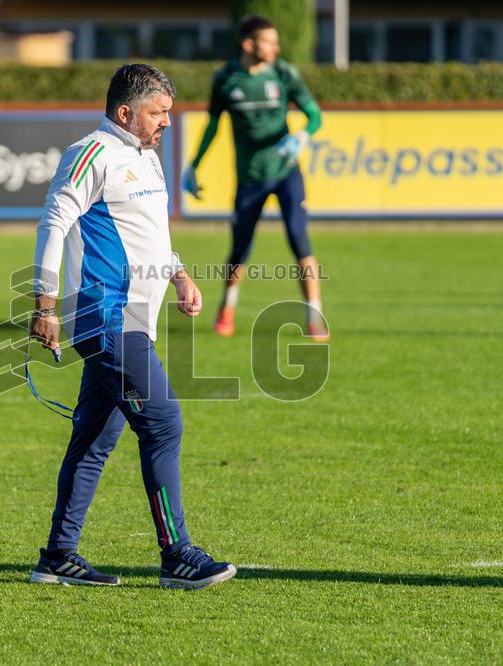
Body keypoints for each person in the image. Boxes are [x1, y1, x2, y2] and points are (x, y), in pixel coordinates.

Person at [28, 63, 237, 591]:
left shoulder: (147, 158)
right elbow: (54, 222)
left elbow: (149, 235)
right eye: (157, 113)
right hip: (103, 315)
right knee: (163, 421)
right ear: (125, 112)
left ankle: (58, 556)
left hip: (134, 319)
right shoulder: (90, 154)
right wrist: (44, 304)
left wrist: (180, 273)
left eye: (169, 112)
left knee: (96, 436)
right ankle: (178, 555)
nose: (167, 122)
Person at [182, 14, 329, 342]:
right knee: (240, 249)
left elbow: (315, 114)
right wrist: (194, 166)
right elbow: (212, 124)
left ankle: (314, 317)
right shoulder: (226, 79)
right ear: (249, 44)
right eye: (270, 42)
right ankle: (227, 307)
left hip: (286, 173)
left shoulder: (284, 73)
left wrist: (302, 136)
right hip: (250, 178)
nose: (276, 48)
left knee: (299, 239)